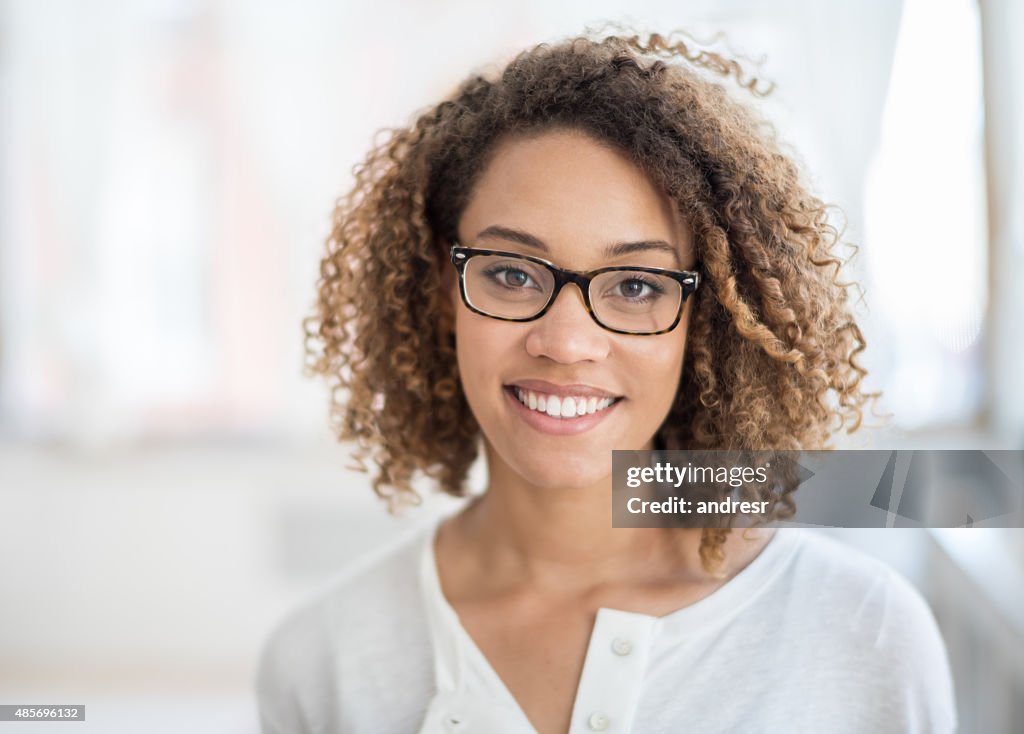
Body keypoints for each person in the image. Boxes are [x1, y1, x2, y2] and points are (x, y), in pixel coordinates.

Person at [256, 32, 956, 733]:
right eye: (510, 273)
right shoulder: (324, 661)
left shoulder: (863, 633)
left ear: (703, 319)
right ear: (444, 286)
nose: (564, 343)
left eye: (635, 285)